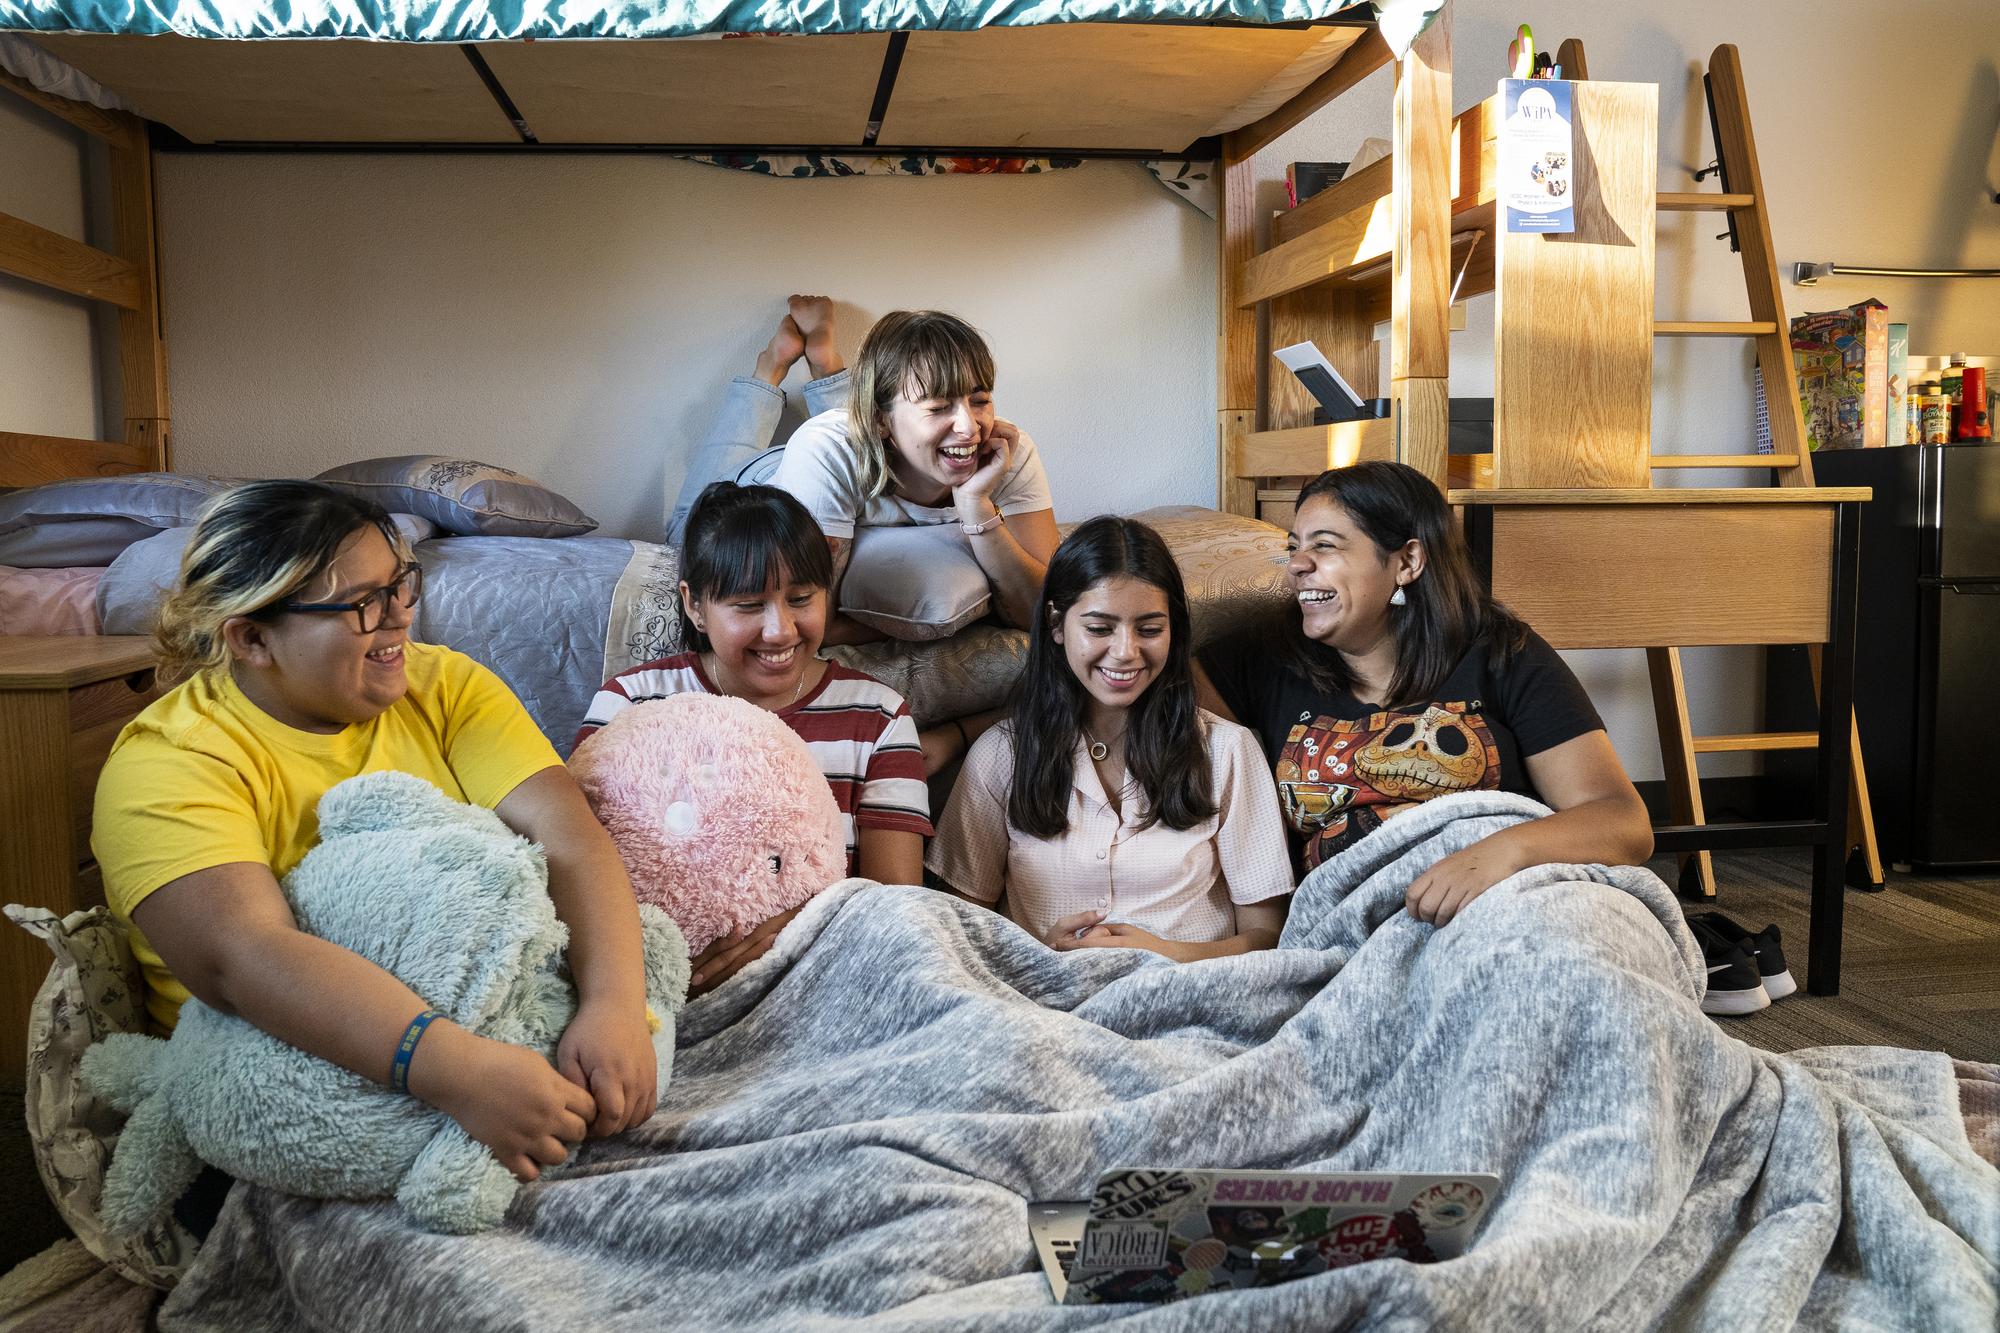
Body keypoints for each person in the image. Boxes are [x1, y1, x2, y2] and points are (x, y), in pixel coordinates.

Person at [93, 481, 657, 1196]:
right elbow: (245, 960)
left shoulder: (447, 685)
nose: (399, 620)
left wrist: (613, 1004)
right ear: (253, 637)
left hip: (490, 1037)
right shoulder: (168, 763)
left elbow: (569, 837)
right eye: (363, 604)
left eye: (401, 585)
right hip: (289, 1089)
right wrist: (457, 1070)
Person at [1195, 461, 1654, 926]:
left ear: (1407, 562)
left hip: (1505, 898)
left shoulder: (1500, 653)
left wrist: (1501, 853)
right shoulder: (1260, 659)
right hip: (1357, 923)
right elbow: (1144, 700)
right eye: (1294, 547)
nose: (1296, 564)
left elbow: (1621, 821)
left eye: (1325, 546)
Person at [576, 482, 932, 989]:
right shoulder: (631, 705)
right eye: (748, 605)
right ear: (695, 606)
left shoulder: (877, 717)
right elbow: (582, 868)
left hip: (820, 982)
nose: (781, 630)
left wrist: (787, 928)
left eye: (801, 599)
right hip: (650, 984)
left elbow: (897, 906)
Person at [927, 516, 1293, 961]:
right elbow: (960, 940)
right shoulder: (1002, 755)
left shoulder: (1227, 750)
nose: (1125, 652)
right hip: (1046, 1009)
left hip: (1189, 999)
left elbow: (1266, 938)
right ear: (1057, 625)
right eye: (1099, 629)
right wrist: (1039, 958)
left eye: (1150, 629)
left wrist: (1164, 953)